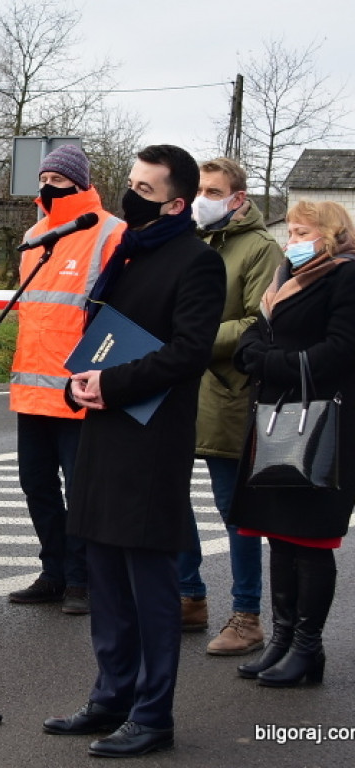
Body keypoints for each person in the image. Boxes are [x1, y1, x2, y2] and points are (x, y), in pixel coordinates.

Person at [43, 145, 225, 758]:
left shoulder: (195, 262)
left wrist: (112, 383)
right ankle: (110, 696)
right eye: (130, 184)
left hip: (151, 439)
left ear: (176, 203)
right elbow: (102, 335)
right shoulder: (126, 250)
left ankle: (153, 714)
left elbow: (190, 351)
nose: (130, 196)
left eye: (144, 190)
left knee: (148, 586)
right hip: (103, 432)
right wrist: (80, 380)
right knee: (105, 578)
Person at [229, 200, 355, 687]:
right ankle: (281, 641)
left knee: (310, 541)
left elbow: (340, 351)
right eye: (291, 231)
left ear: (330, 235)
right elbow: (248, 343)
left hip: (321, 425)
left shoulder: (344, 277)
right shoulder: (282, 279)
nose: (291, 240)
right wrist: (264, 356)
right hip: (275, 424)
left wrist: (271, 361)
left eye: (301, 231)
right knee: (279, 536)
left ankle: (308, 648)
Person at [7, 144, 125, 615]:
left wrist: (97, 377)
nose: (48, 186)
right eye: (45, 178)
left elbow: (116, 316)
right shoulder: (35, 234)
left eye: (59, 179)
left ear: (80, 182)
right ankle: (53, 571)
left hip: (78, 390)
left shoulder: (111, 233)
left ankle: (82, 578)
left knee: (82, 491)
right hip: (32, 390)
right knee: (36, 485)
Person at [178, 158, 282, 651]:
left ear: (238, 199)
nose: (204, 198)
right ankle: (188, 597)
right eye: (199, 188)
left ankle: (246, 616)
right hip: (177, 386)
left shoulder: (262, 249)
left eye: (214, 190)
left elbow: (257, 323)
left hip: (226, 389)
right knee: (170, 498)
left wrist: (190, 339)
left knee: (233, 508)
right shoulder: (190, 240)